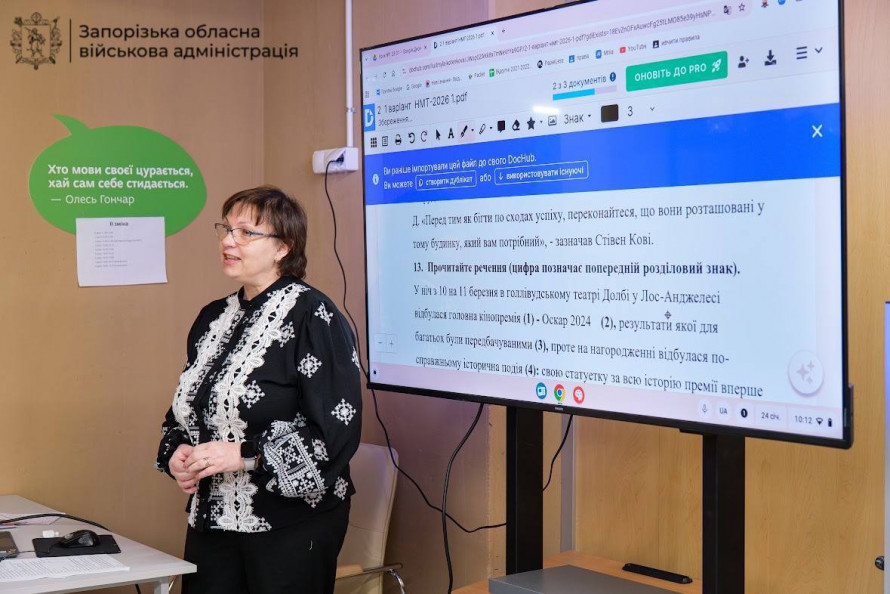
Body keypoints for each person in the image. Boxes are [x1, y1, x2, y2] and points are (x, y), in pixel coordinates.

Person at [155, 185, 362, 594]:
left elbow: (336, 432)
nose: (228, 241)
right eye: (226, 229)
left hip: (292, 526)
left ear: (283, 247)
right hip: (212, 521)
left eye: (247, 233)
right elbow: (187, 410)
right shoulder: (213, 316)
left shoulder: (314, 316)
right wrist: (176, 451)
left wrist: (244, 454)